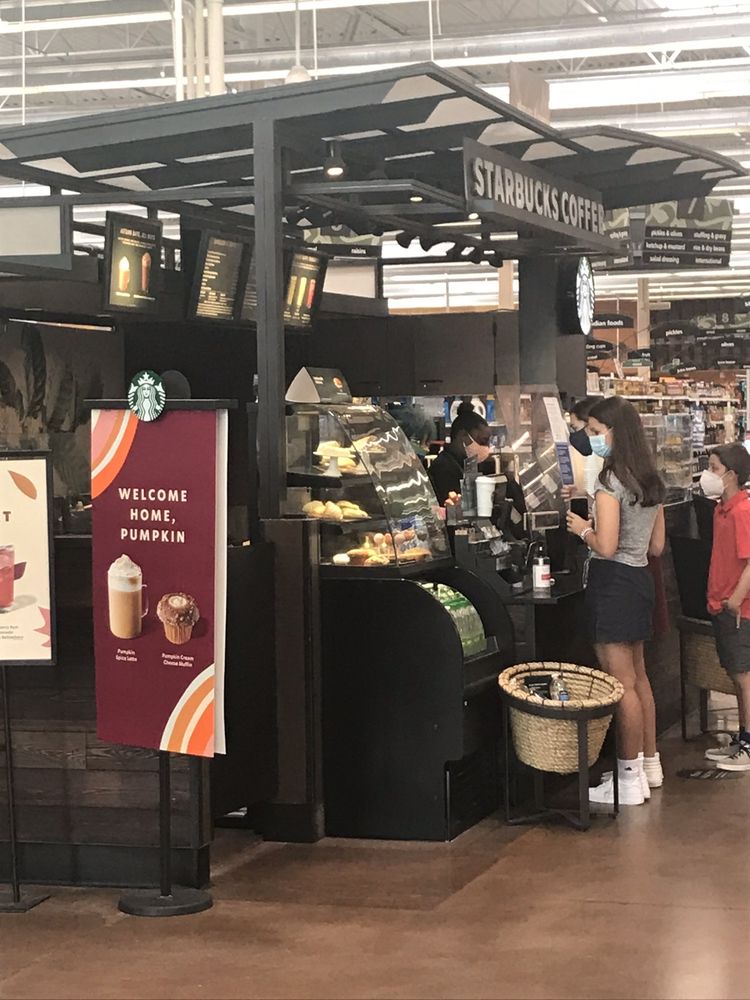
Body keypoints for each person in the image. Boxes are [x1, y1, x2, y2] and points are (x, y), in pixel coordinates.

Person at [566, 395, 666, 806]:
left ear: (614, 433)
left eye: (595, 431)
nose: (591, 438)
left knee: (619, 684)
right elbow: (656, 546)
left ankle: (627, 778)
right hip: (640, 579)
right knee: (639, 677)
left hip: (612, 584)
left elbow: (605, 545)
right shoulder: (650, 480)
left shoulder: (610, 483)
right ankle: (648, 765)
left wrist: (582, 529)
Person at [702, 444, 750, 770]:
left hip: (738, 611)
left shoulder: (742, 511)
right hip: (722, 606)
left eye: (714, 468)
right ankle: (743, 736)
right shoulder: (721, 511)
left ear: (731, 475)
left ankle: (748, 743)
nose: (708, 474)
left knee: (744, 676)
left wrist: (735, 600)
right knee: (736, 674)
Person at [428, 403, 492, 505]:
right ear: (463, 435)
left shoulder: (462, 464)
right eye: (483, 440)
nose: (487, 447)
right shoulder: (444, 468)